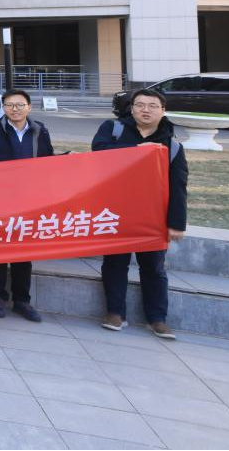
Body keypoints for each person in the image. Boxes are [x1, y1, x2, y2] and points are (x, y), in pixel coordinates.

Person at [91, 88, 187, 339]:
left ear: (163, 111)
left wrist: (176, 223)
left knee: (153, 267)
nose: (146, 110)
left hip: (153, 216)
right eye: (140, 105)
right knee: (115, 262)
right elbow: (97, 155)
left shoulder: (173, 146)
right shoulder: (113, 129)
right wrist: (138, 149)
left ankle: (157, 318)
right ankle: (115, 313)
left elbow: (178, 187)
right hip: (117, 210)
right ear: (131, 109)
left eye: (153, 106)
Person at [0, 89, 53, 323]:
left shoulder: (40, 130)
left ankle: (22, 300)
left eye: (19, 105)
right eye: (9, 105)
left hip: (28, 201)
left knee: (23, 252)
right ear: (3, 108)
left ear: (29, 107)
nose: (14, 109)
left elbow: (49, 162)